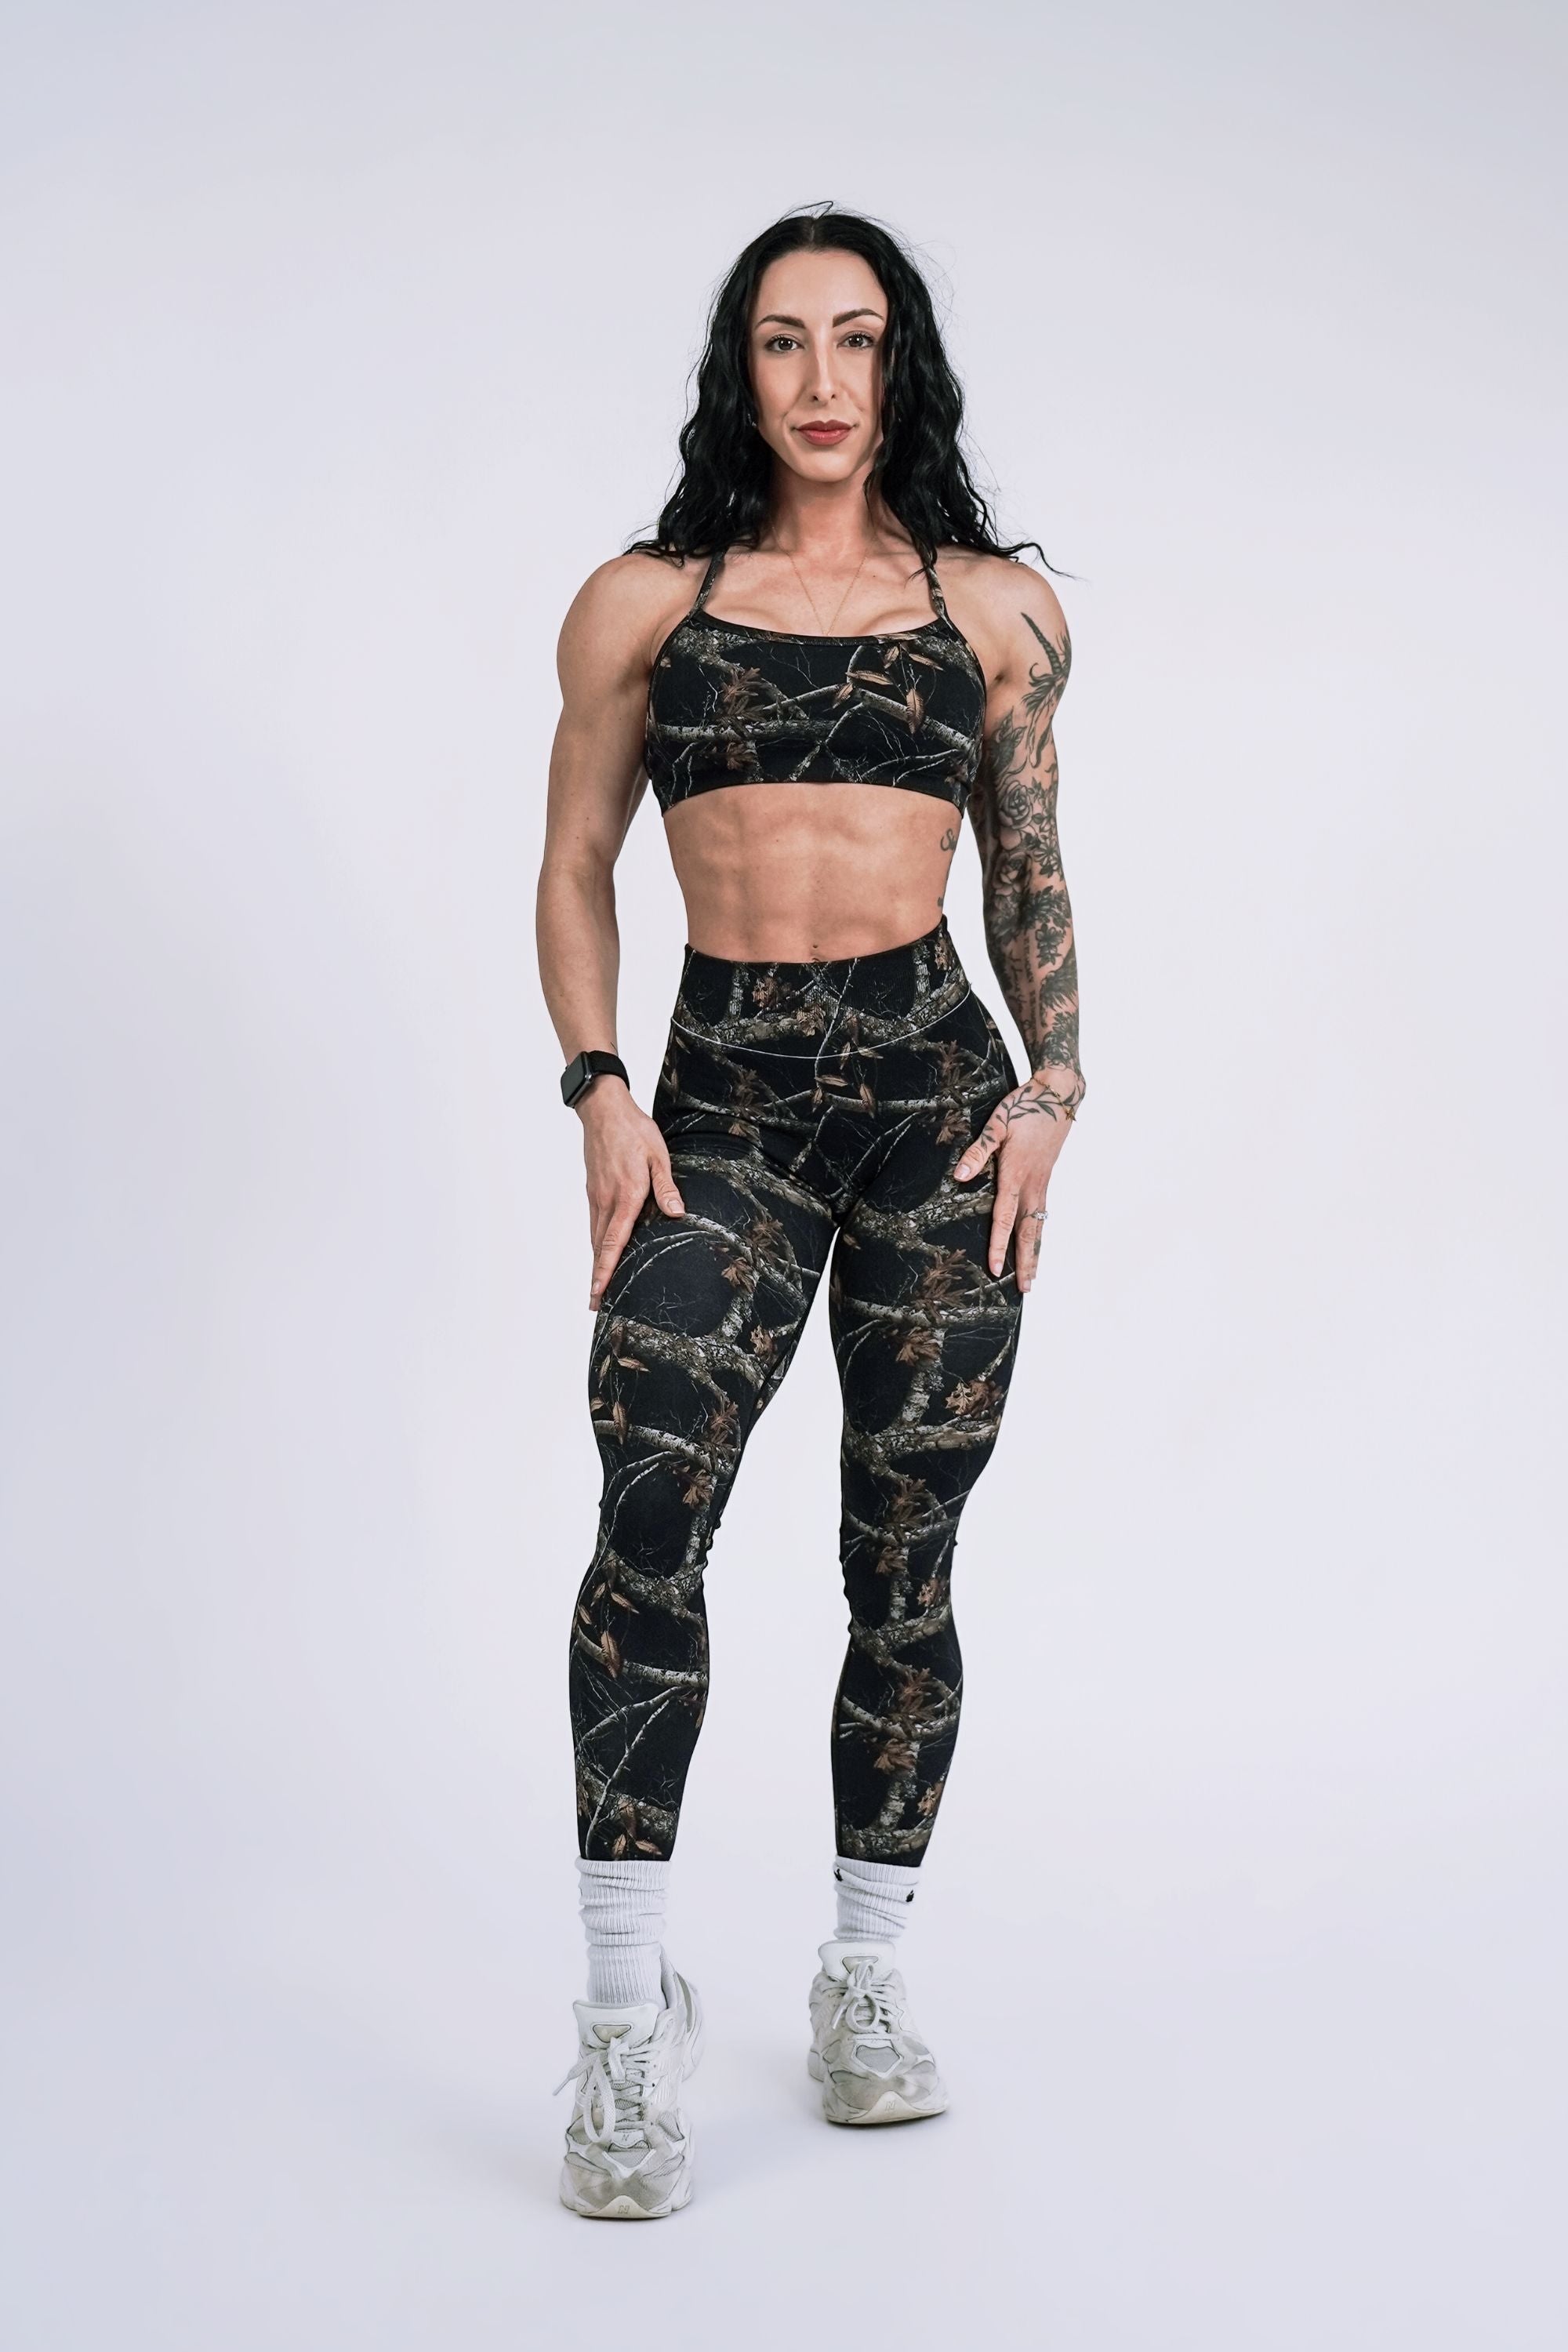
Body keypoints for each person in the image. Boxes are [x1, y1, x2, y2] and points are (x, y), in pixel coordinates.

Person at [536, 204, 1084, 2218]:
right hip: (725, 1105)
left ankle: (865, 1977)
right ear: (741, 370)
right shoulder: (644, 605)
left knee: (901, 1557)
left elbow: (1027, 867)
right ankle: (623, 2023)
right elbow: (574, 865)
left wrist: (1054, 1088)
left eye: (857, 339)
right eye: (784, 341)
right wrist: (599, 1088)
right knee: (648, 1521)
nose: (823, 379)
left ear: (898, 364)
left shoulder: (996, 612)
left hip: (934, 1103)